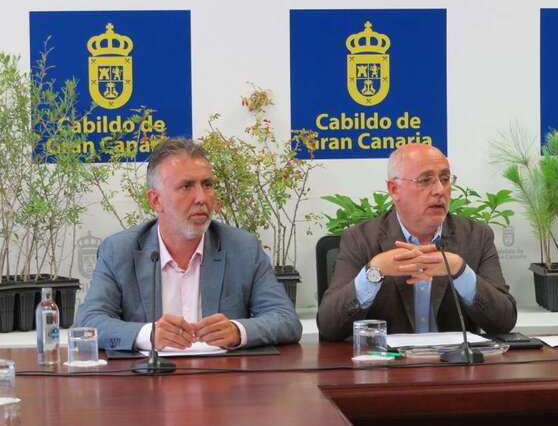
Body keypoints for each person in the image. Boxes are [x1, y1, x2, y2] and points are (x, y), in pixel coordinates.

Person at [76, 138, 302, 350]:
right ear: (156, 200)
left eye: (207, 185)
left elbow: (286, 319)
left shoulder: (242, 248)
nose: (202, 198)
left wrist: (237, 331)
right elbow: (88, 323)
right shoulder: (120, 251)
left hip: (222, 382)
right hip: (149, 384)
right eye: (186, 187)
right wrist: (148, 334)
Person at [317, 143, 517, 341]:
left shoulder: (476, 237)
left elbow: (504, 321)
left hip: (453, 367)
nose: (440, 190)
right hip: (389, 368)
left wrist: (461, 272)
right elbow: (329, 326)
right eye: (425, 180)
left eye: (445, 179)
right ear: (394, 189)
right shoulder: (360, 239)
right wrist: (373, 273)